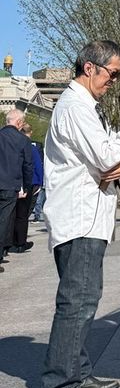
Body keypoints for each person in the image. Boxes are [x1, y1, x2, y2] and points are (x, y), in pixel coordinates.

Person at [39, 40, 120, 388]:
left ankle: (78, 372)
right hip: (78, 218)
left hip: (87, 216)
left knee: (84, 300)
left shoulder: (86, 108)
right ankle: (58, 386)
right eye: (112, 73)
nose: (114, 80)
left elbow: (111, 159)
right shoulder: (75, 107)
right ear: (90, 67)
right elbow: (105, 156)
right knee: (78, 302)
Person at [0, 109, 33, 269]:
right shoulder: (22, 140)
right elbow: (28, 165)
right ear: (19, 123)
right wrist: (27, 186)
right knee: (4, 220)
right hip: (9, 185)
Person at [10, 117, 41, 253]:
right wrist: (39, 182)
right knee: (23, 215)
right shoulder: (29, 145)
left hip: (15, 182)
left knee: (14, 214)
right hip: (29, 182)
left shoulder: (13, 144)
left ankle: (11, 240)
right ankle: (20, 242)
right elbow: (35, 165)